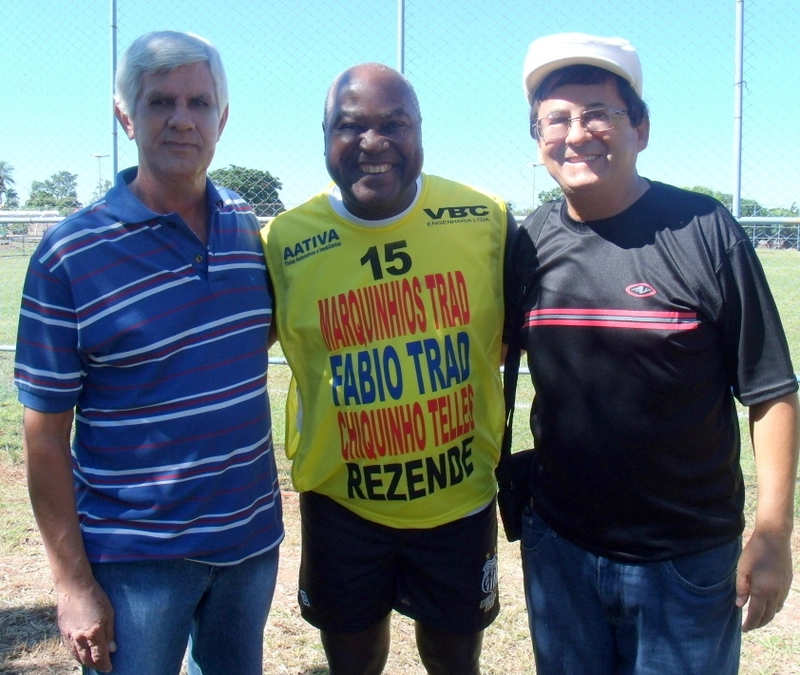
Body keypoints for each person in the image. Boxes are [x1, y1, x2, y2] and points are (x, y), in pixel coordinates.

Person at [505, 32, 800, 675]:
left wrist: (775, 532)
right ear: (538, 141)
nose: (576, 133)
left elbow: (770, 388)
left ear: (640, 127)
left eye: (598, 113)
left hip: (686, 559)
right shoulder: (525, 246)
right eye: (555, 119)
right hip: (561, 550)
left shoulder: (704, 230)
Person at [14, 31, 283, 675]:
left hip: (250, 544)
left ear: (223, 116)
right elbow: (44, 437)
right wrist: (73, 584)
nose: (181, 119)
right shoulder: (69, 257)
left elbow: (252, 338)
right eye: (161, 102)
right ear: (125, 116)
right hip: (135, 561)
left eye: (198, 101)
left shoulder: (250, 230)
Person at [262, 63, 514, 675]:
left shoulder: (487, 219)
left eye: (393, 124)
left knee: (455, 659)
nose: (372, 143)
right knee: (353, 659)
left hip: (458, 500)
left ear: (421, 131)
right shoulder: (282, 241)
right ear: (324, 136)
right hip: (342, 505)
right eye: (350, 126)